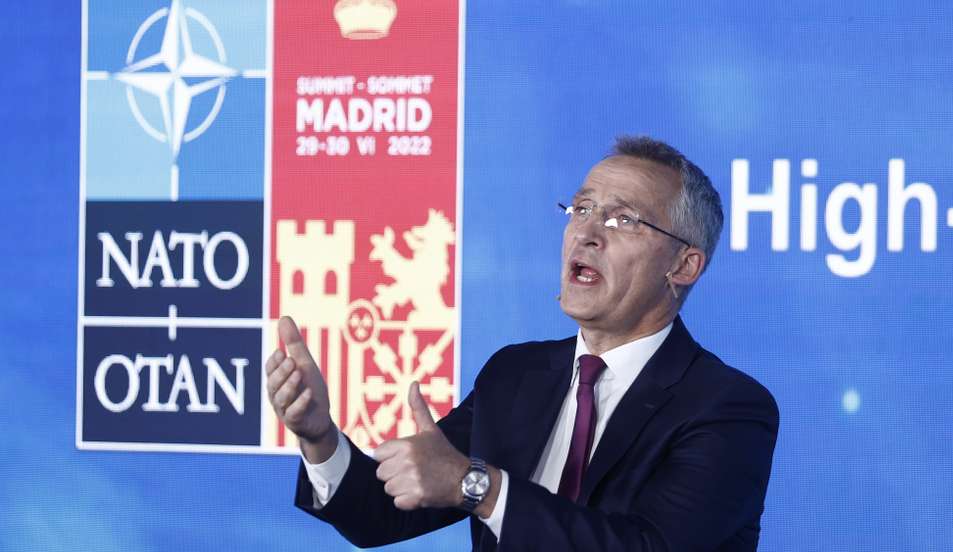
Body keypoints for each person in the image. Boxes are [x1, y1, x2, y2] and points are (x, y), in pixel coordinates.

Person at [265, 136, 779, 551]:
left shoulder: (727, 408)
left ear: (683, 265)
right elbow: (379, 516)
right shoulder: (515, 376)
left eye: (622, 220)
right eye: (581, 209)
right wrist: (319, 437)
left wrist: (482, 488)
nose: (587, 233)